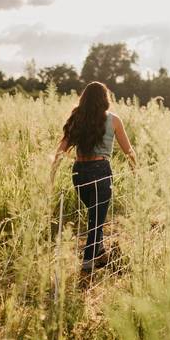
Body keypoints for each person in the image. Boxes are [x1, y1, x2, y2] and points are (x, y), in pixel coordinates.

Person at [51, 81, 136, 272]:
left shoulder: (76, 118)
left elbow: (61, 150)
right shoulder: (113, 120)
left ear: (84, 98)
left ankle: (100, 251)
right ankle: (88, 265)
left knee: (94, 216)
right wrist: (135, 171)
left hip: (79, 173)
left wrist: (52, 173)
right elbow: (129, 151)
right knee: (96, 220)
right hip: (100, 171)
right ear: (105, 99)